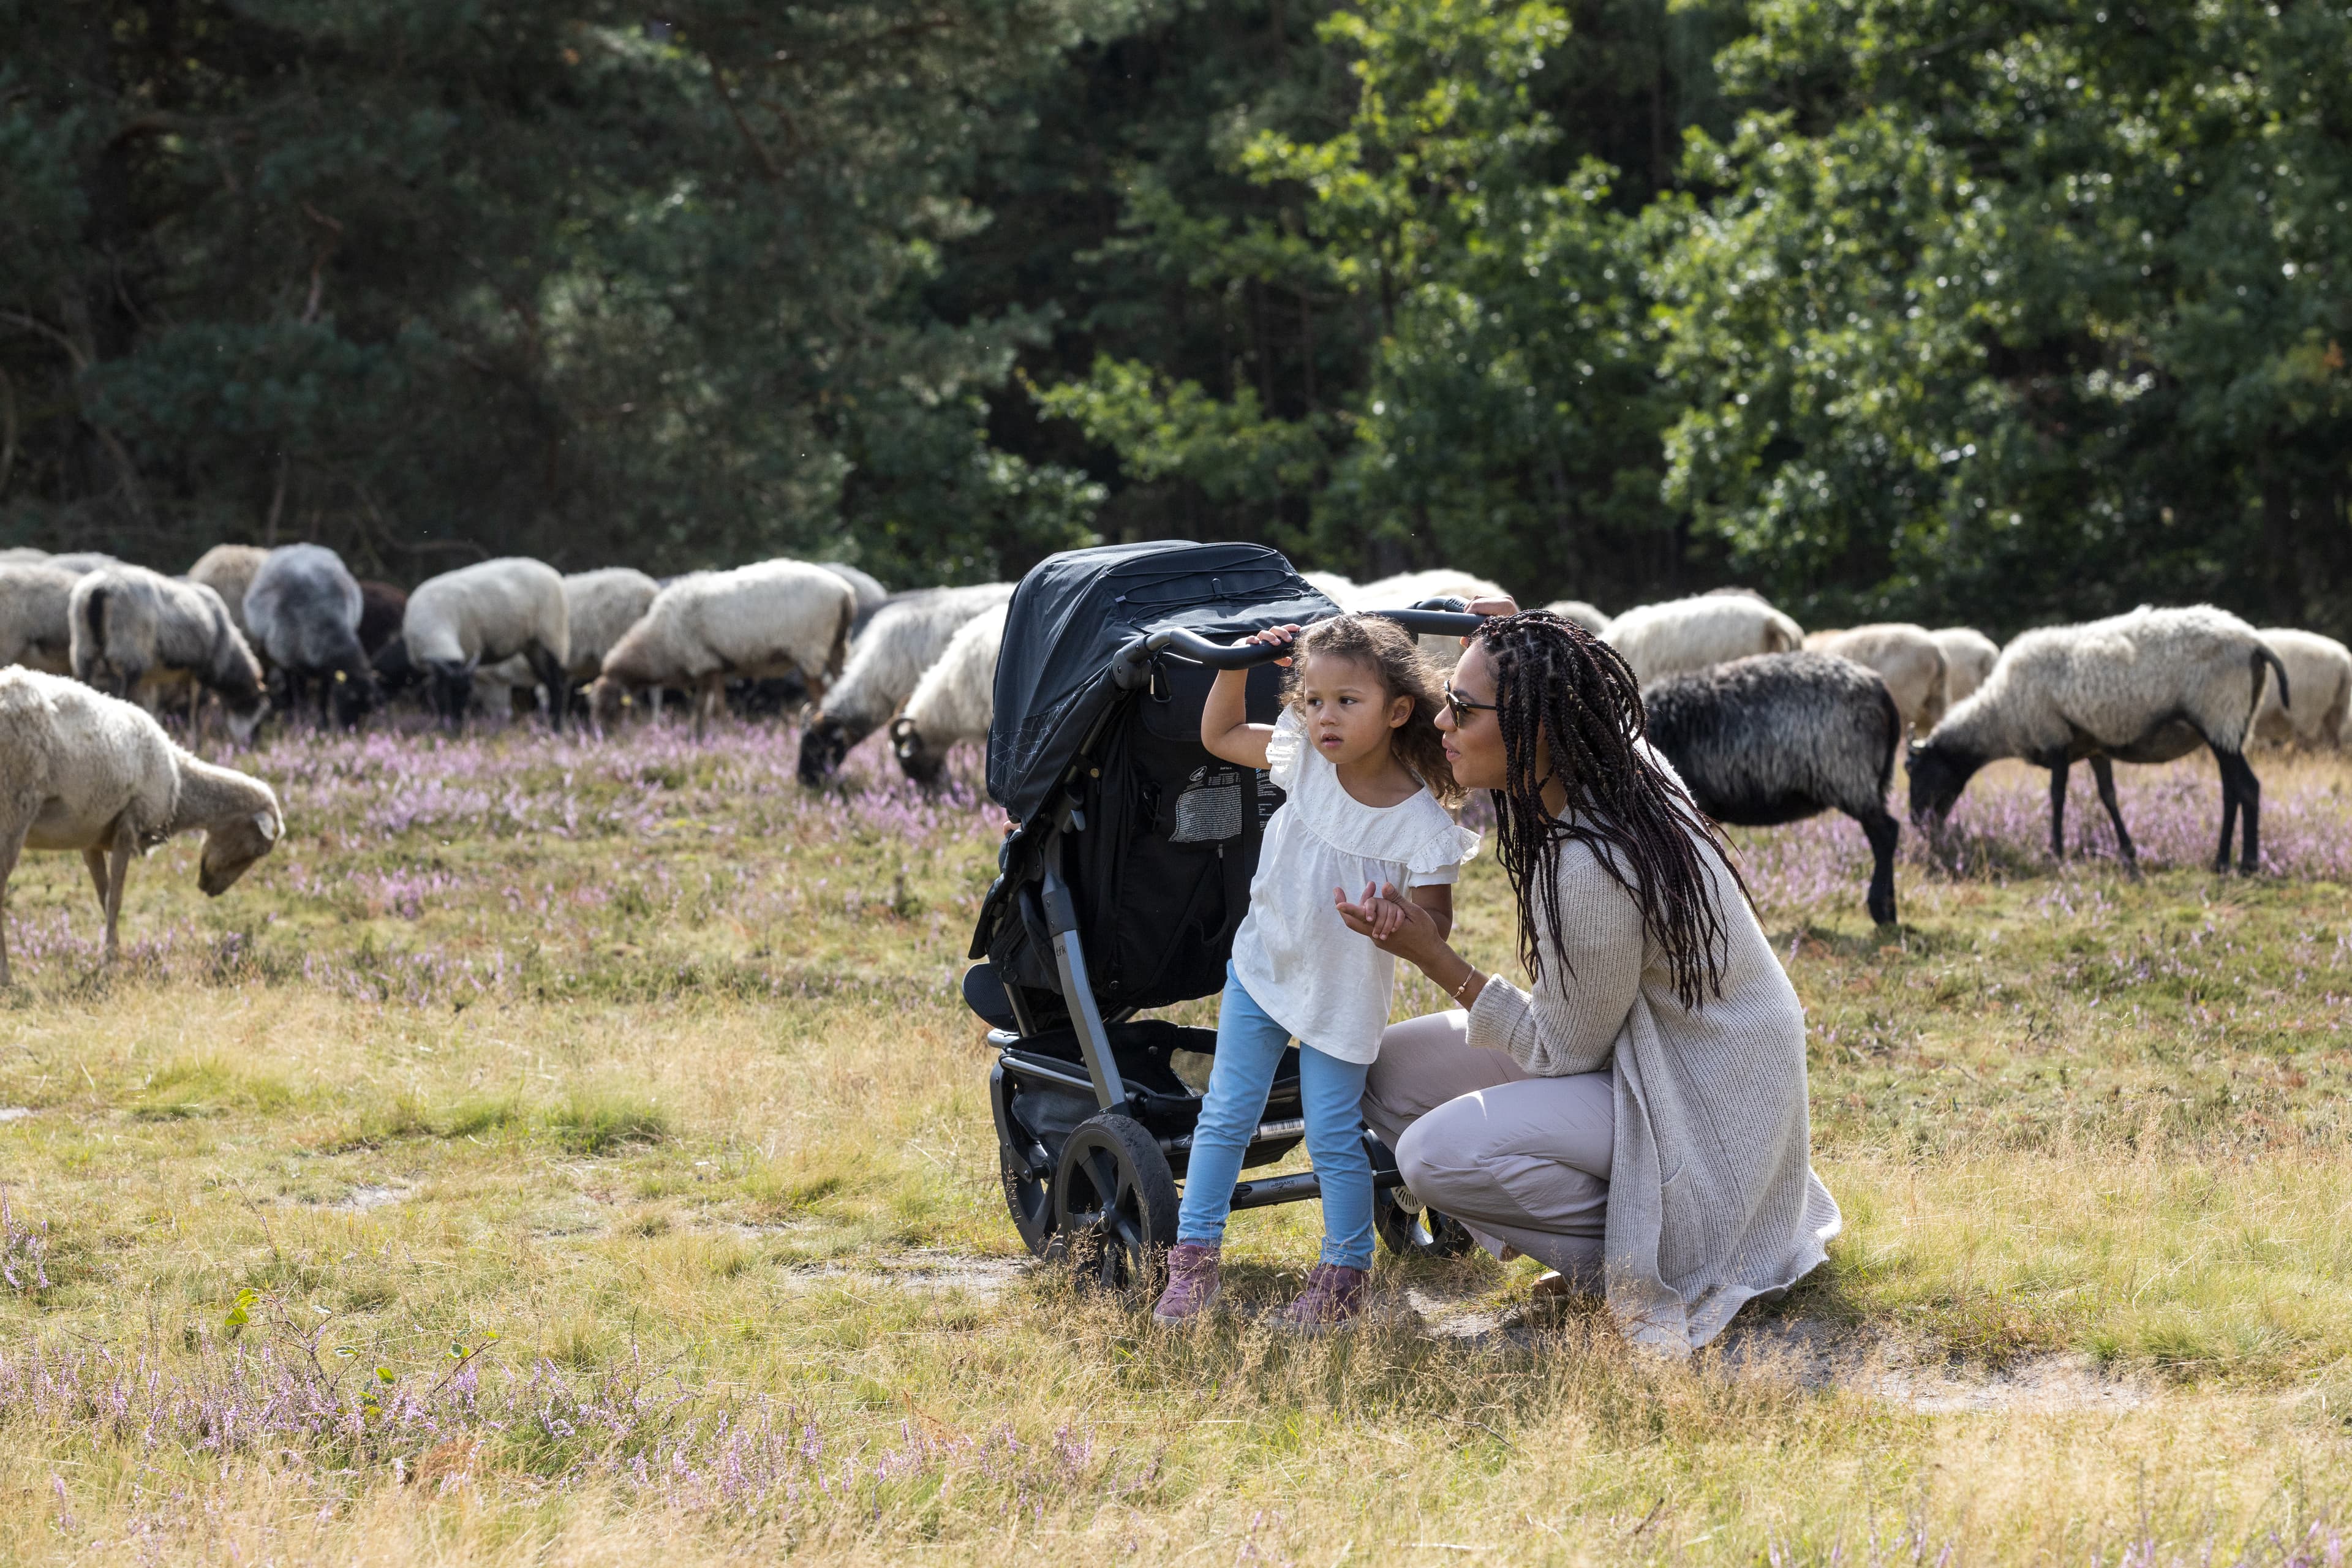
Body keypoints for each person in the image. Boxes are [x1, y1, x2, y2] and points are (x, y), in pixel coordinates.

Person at [1335, 608, 1841, 1354]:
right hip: (1649, 1055)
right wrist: (1515, 633)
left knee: (1433, 1154)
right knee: (1383, 1076)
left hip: (1704, 1096)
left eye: (1463, 709)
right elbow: (1569, 682)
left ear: (1537, 728)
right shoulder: (1612, 760)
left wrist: (1432, 955)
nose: (1441, 720)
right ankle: (1616, 1226)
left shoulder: (1591, 862)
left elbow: (1561, 1052)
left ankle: (1644, 1257)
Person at [1152, 614, 1479, 1332]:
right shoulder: (1302, 755)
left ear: (1397, 711)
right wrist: (1234, 665)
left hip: (1343, 995)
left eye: (1347, 701)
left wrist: (1397, 919)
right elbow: (1220, 735)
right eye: (1314, 698)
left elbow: (1437, 925)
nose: (1325, 716)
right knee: (1227, 1114)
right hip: (1264, 967)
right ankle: (1194, 1260)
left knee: (1332, 1133)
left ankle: (1342, 1278)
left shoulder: (1423, 826)